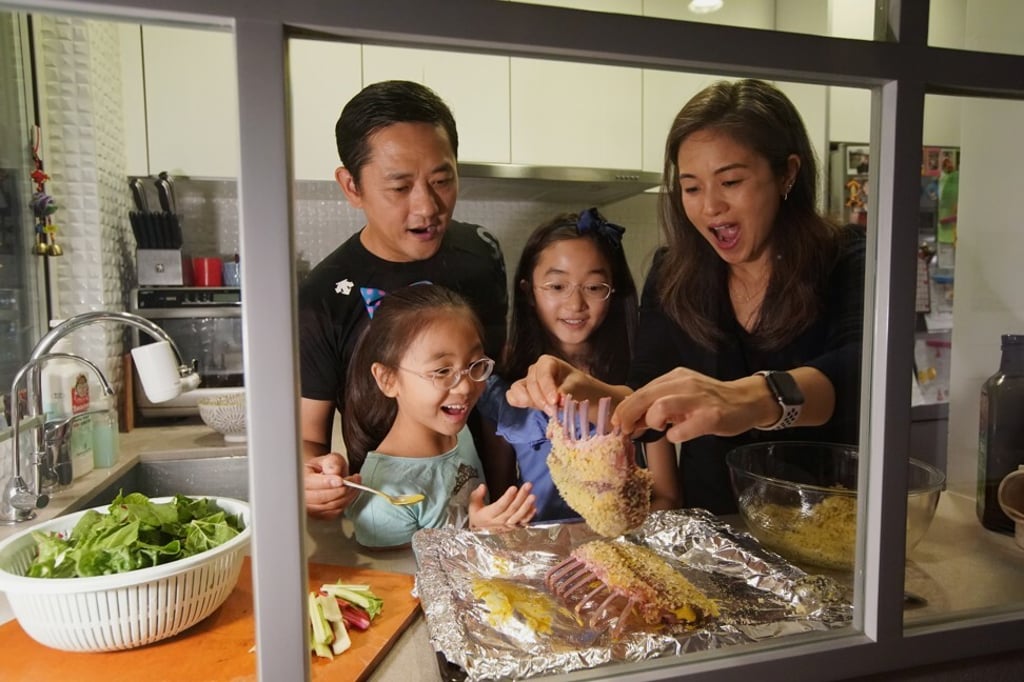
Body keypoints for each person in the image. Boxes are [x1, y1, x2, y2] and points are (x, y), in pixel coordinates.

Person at [507, 79, 865, 515]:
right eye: (692, 188)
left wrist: (749, 399)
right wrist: (585, 389)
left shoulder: (845, 259)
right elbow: (646, 396)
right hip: (714, 527)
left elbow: (863, 377)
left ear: (787, 173)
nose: (710, 206)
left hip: (826, 521)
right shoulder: (674, 273)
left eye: (730, 181)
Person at [298, 80, 508, 519]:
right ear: (351, 186)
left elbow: (496, 392)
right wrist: (312, 478)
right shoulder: (324, 294)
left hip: (486, 516)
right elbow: (307, 436)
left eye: (442, 180)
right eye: (399, 186)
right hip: (390, 518)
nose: (427, 207)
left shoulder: (481, 257)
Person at [477, 208, 680, 522]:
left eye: (594, 287)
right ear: (528, 292)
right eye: (557, 287)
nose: (575, 305)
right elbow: (503, 498)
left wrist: (612, 534)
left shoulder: (641, 379)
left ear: (614, 292)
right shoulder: (503, 386)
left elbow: (667, 496)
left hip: (623, 545)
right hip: (538, 555)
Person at [341, 284, 536, 549]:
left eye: (473, 365)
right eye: (442, 371)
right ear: (388, 379)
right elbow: (397, 584)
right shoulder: (384, 501)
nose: (465, 386)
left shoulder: (456, 430)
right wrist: (476, 534)